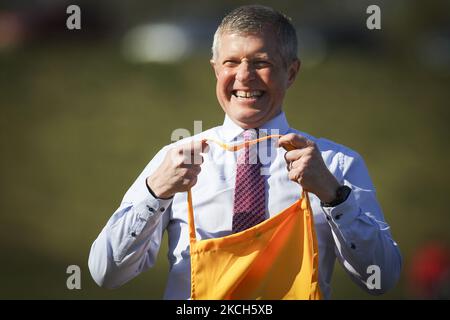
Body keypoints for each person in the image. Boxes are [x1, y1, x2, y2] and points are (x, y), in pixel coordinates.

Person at [88, 5, 402, 299]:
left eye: (261, 62)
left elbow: (382, 279)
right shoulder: (174, 161)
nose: (244, 75)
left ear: (291, 72)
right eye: (231, 62)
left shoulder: (335, 165)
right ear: (215, 69)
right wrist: (155, 193)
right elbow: (106, 273)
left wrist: (335, 197)